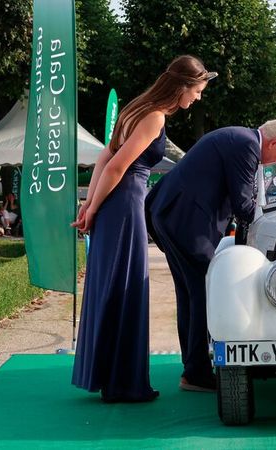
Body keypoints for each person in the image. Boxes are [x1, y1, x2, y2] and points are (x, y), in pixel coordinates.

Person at [70, 55, 216, 403]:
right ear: (183, 86)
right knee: (127, 285)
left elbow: (105, 157)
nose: (197, 98)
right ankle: (123, 383)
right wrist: (93, 207)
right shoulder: (154, 116)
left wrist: (90, 204)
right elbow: (117, 166)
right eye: (197, 91)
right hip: (125, 205)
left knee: (113, 284)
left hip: (114, 204)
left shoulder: (135, 108)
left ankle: (112, 378)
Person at [146, 119, 276, 392]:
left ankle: (193, 367)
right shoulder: (247, 146)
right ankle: (196, 372)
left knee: (190, 295)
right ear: (273, 142)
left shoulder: (239, 139)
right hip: (186, 222)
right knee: (203, 295)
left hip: (173, 216)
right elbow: (244, 205)